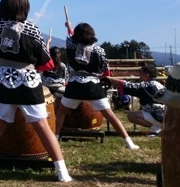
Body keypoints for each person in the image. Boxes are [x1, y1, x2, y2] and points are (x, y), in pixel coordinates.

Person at [0, 0, 71, 182]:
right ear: (25, 8)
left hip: (3, 81)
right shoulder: (32, 29)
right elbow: (47, 64)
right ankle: (62, 173)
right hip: (28, 82)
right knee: (42, 126)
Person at [55, 20, 140, 150]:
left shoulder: (71, 45)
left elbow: (70, 35)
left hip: (74, 85)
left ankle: (55, 138)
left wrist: (69, 27)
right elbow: (105, 71)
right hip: (93, 85)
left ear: (76, 35)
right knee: (110, 115)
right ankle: (128, 142)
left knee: (61, 113)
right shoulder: (99, 50)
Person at [107, 64, 165, 137]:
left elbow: (128, 85)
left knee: (131, 116)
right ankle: (158, 127)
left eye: (141, 74)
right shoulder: (161, 85)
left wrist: (109, 78)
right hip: (165, 116)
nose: (139, 76)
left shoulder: (147, 85)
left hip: (157, 115)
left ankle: (156, 128)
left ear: (147, 75)